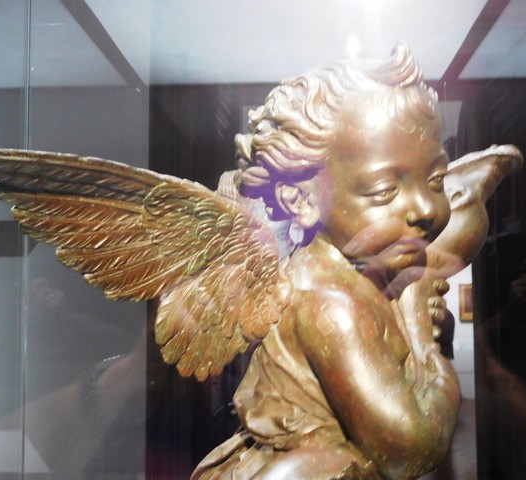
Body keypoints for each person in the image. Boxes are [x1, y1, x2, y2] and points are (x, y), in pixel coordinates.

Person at [192, 44, 488, 480]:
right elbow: (412, 448)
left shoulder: (366, 276)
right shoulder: (329, 302)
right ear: (301, 200)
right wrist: (424, 339)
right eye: (384, 190)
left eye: (436, 179)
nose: (427, 208)